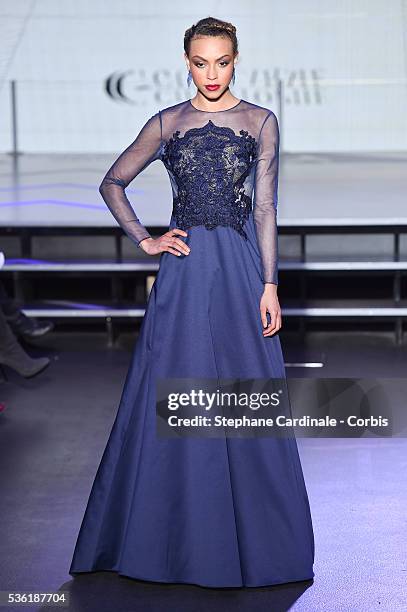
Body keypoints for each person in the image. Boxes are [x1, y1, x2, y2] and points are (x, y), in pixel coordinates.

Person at [69, 17, 315, 588]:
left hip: (239, 270)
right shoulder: (167, 123)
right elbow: (112, 181)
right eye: (201, 62)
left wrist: (271, 283)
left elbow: (265, 208)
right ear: (186, 61)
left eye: (222, 62)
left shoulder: (259, 121)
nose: (212, 73)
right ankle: (169, 540)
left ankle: (255, 544)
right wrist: (146, 238)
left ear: (236, 60)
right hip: (182, 273)